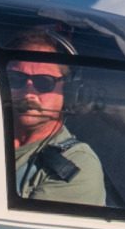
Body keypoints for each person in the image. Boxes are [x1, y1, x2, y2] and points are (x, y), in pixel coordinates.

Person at [6, 31, 105, 206]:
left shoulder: (77, 164)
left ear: (68, 92)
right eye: (16, 79)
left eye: (44, 82)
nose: (29, 94)